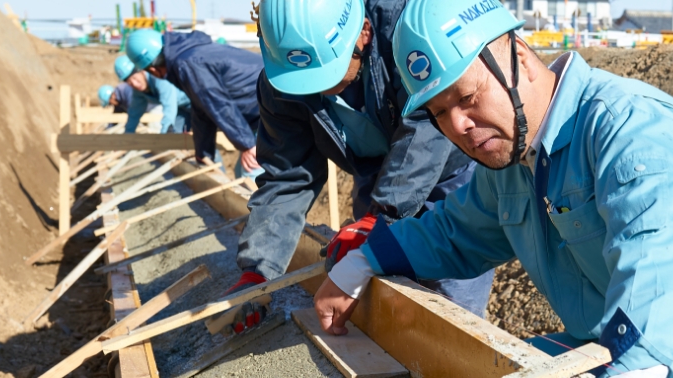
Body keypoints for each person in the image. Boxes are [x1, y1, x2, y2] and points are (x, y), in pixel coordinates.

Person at [314, 1, 673, 377]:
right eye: (439, 113)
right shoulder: (512, 161)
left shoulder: (630, 134)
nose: (459, 125)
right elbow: (453, 233)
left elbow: (652, 307)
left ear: (521, 61)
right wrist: (365, 258)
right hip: (607, 340)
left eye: (466, 97)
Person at [222, 0, 491, 333]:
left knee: (451, 310)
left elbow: (427, 124)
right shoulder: (283, 82)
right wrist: (258, 270)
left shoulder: (408, 32)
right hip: (378, 178)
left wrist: (382, 215)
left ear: (364, 33)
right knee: (378, 291)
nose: (315, 88)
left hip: (451, 173)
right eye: (302, 81)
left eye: (329, 73)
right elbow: (287, 177)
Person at [125, 29, 265, 179]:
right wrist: (203, 156)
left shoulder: (188, 64)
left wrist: (247, 145)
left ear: (152, 69)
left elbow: (218, 104)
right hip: (262, 107)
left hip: (273, 109)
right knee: (242, 173)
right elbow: (202, 110)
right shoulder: (188, 55)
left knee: (252, 172)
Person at [113, 55, 194, 134]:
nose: (135, 84)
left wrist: (163, 136)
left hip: (196, 103)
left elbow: (169, 108)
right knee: (175, 137)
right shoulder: (138, 92)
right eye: (130, 83)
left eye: (135, 78)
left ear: (142, 71)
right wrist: (127, 137)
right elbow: (134, 114)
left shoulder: (158, 78)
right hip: (182, 109)